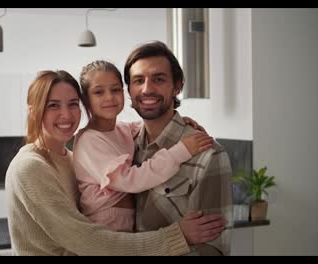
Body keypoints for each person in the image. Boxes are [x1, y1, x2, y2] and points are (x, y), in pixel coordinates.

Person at [4, 70, 227, 255]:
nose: (66, 114)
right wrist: (177, 236)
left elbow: (128, 130)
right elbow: (87, 240)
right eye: (53, 105)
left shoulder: (70, 159)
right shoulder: (30, 167)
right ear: (33, 111)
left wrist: (176, 122)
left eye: (72, 104)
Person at [73, 60, 214, 232]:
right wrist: (180, 152)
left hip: (128, 225)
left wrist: (179, 122)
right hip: (104, 227)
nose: (109, 97)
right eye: (99, 92)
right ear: (86, 100)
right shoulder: (89, 141)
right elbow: (131, 180)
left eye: (115, 89)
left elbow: (146, 126)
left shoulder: (122, 130)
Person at [123, 41, 233, 256]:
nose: (147, 89)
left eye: (158, 79)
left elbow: (213, 249)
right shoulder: (124, 146)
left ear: (177, 86)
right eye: (138, 80)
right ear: (129, 89)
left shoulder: (208, 156)